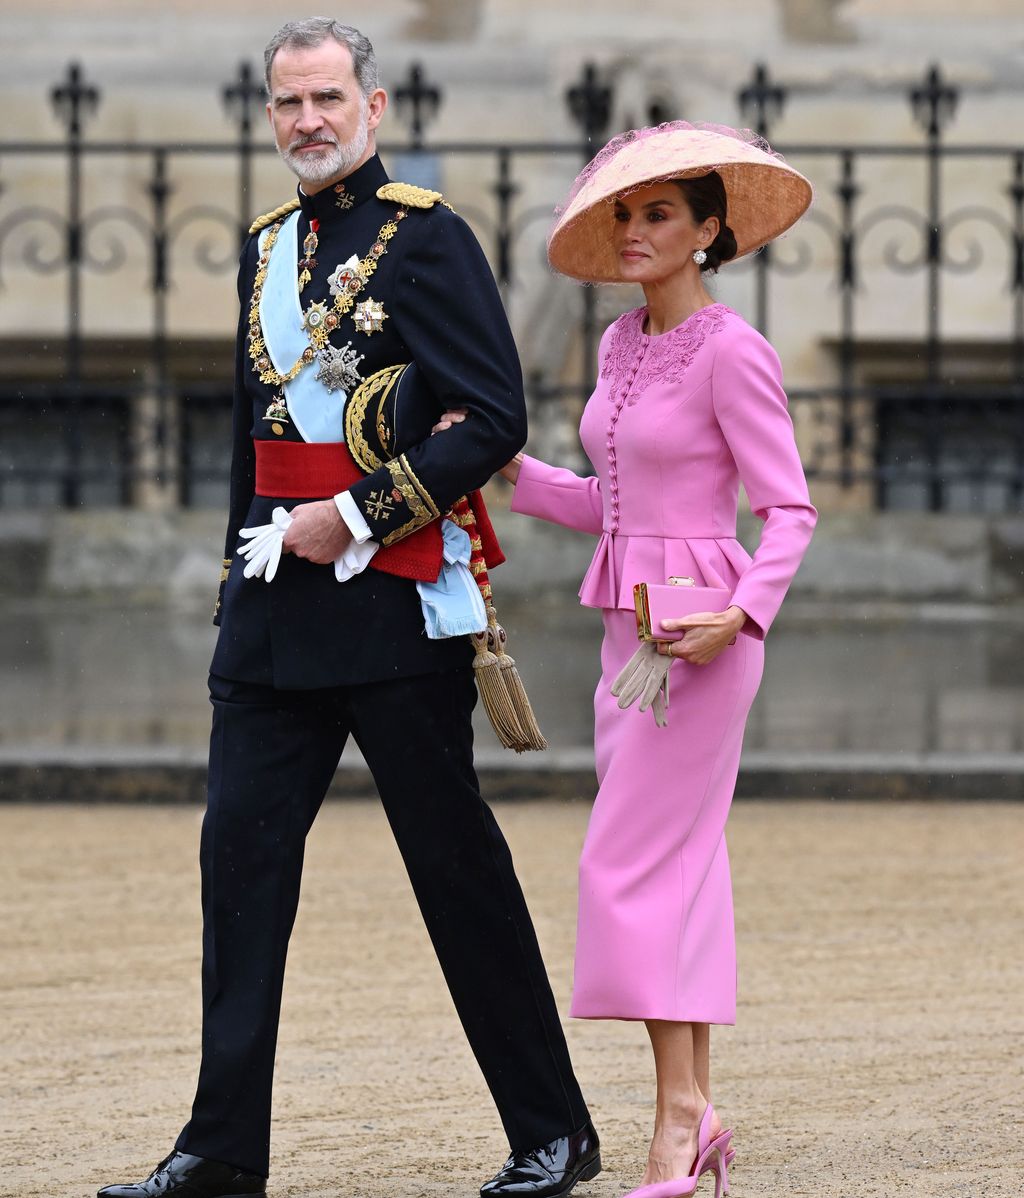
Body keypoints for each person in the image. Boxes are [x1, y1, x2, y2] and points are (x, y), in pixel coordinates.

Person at [97, 18, 599, 1198]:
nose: (307, 122)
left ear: (371, 107)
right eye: (287, 103)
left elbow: (491, 418)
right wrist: (238, 585)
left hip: (386, 603)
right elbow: (250, 441)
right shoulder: (268, 246)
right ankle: (222, 1149)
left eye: (327, 98)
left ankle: (553, 1130)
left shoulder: (430, 242)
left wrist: (362, 515)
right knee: (239, 874)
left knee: (453, 870)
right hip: (273, 616)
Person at [436, 121, 816, 1198]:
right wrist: (499, 461)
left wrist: (740, 616)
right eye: (626, 213)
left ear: (707, 231)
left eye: (661, 214)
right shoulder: (616, 345)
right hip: (625, 631)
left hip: (700, 639)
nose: (637, 230)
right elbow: (607, 503)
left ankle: (678, 1114)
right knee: (681, 870)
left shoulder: (735, 349)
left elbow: (787, 509)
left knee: (630, 866)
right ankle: (694, 1106)